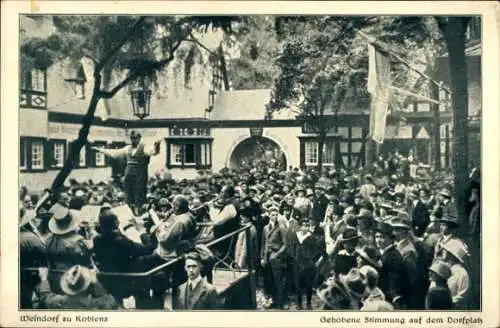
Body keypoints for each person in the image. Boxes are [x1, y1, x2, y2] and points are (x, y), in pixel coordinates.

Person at [92, 131, 161, 215]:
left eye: (135, 138)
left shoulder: (144, 148)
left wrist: (156, 146)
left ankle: (139, 214)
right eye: (132, 138)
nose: (133, 140)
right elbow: (115, 153)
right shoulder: (127, 148)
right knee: (128, 198)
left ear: (139, 138)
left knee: (139, 198)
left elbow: (152, 151)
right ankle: (130, 214)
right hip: (128, 177)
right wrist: (100, 150)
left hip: (139, 177)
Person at [92, 211, 153, 302]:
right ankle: (144, 301)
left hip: (108, 277)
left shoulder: (96, 239)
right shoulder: (121, 241)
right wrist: (142, 233)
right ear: (116, 223)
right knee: (147, 260)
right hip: (125, 278)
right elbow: (147, 249)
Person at [45, 204, 92, 295]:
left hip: (55, 278)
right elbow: (85, 263)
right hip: (75, 280)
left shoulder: (48, 240)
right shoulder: (77, 241)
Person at [37, 265, 119, 309]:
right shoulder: (97, 304)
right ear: (87, 285)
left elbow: (45, 297)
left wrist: (44, 278)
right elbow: (110, 302)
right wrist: (95, 280)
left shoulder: (58, 302)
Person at [374, 220, 411, 309]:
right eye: (376, 237)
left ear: (390, 239)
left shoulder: (393, 256)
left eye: (382, 237)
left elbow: (395, 282)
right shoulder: (381, 253)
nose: (378, 240)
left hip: (389, 299)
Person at [289, 218, 322, 310]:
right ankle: (299, 303)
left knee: (308, 283)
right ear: (300, 226)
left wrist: (311, 260)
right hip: (297, 263)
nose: (305, 228)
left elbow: (316, 251)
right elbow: (291, 248)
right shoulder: (295, 236)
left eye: (307, 226)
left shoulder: (311, 237)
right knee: (297, 284)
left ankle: (308, 303)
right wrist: (294, 258)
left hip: (307, 265)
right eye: (303, 225)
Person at [261, 206, 289, 309]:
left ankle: (280, 303)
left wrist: (276, 255)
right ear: (269, 215)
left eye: (276, 215)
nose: (275, 216)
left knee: (278, 281)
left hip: (277, 257)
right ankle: (272, 300)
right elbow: (264, 243)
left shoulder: (281, 227)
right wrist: (262, 257)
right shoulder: (265, 228)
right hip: (267, 257)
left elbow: (285, 244)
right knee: (269, 280)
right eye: (273, 214)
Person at [441, 238, 470, 310]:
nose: (442, 251)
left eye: (445, 250)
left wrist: (446, 302)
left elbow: (461, 296)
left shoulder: (461, 273)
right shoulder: (442, 267)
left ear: (451, 254)